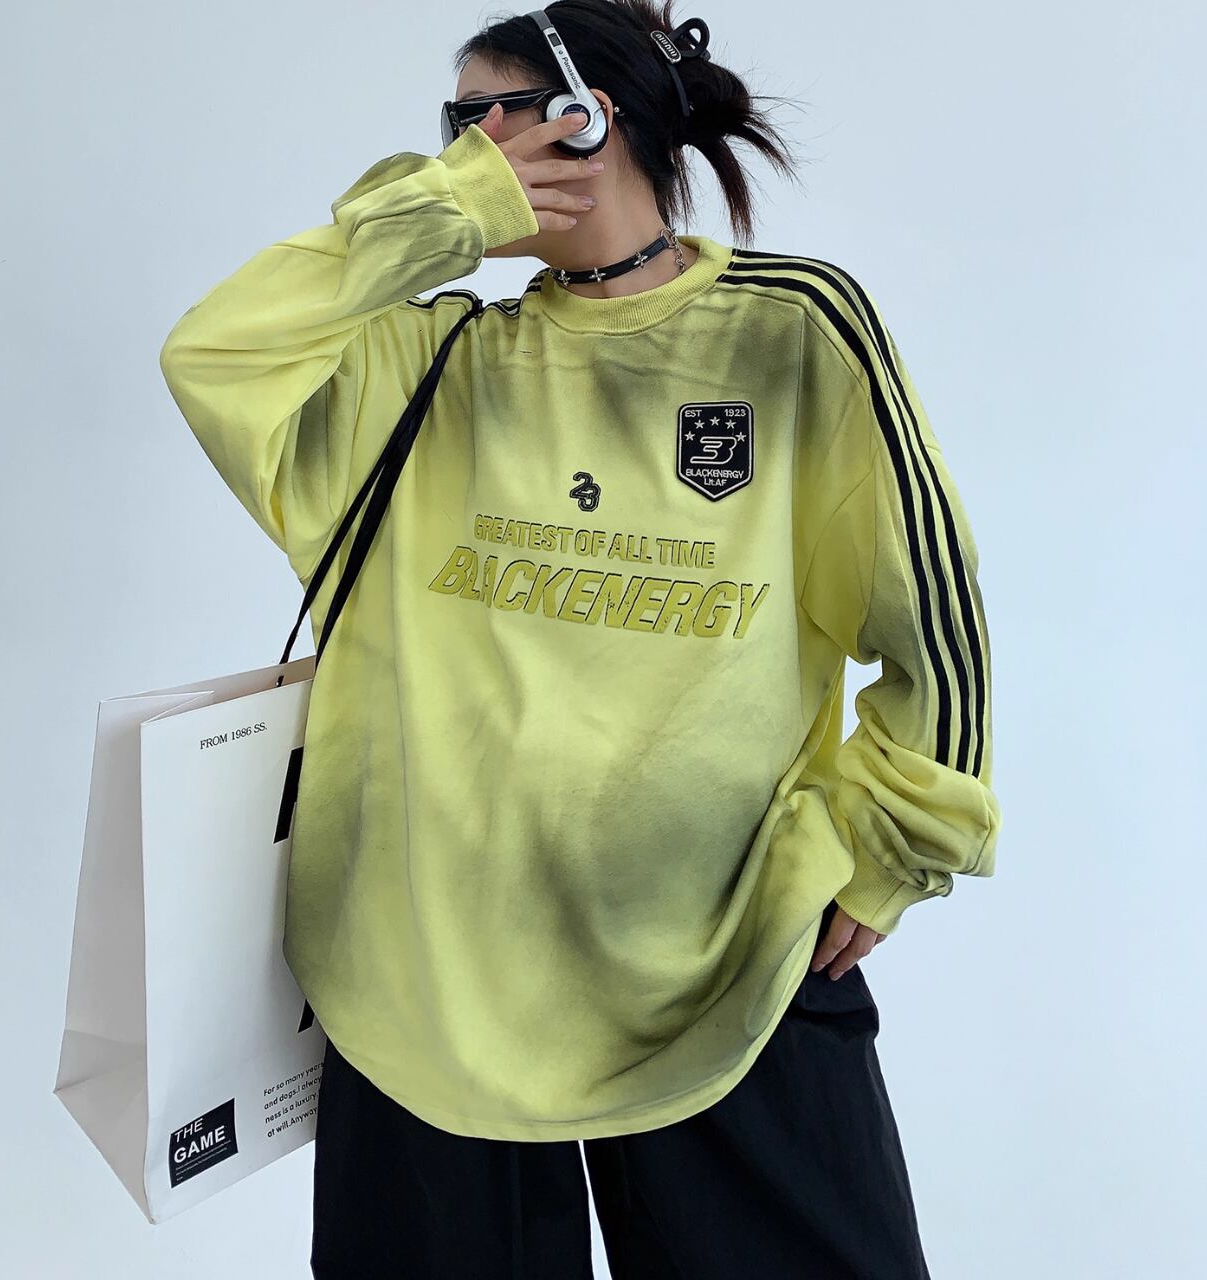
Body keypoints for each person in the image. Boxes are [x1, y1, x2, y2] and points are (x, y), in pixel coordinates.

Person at [158, 1, 1001, 1275]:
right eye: (447, 134)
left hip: (725, 950)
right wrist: (443, 209)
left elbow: (928, 612)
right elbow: (214, 353)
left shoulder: (789, 326)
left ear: (583, 121)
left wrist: (889, 850)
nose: (455, 155)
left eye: (476, 121)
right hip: (427, 972)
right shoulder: (435, 356)